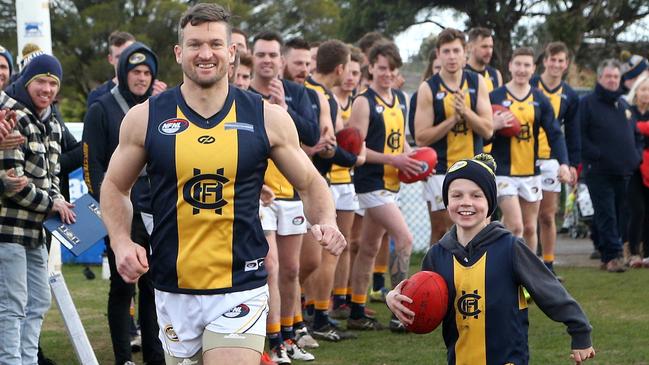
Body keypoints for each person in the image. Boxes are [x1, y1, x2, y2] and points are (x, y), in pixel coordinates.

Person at [100, 4, 345, 365]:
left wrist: (326, 220)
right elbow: (114, 187)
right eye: (195, 44)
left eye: (215, 44)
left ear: (231, 53)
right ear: (179, 53)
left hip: (240, 288)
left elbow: (310, 182)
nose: (205, 54)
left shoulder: (267, 117)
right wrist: (121, 242)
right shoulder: (145, 117)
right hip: (172, 286)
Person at [386, 154, 596, 365]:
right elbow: (425, 304)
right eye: (456, 195)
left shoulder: (510, 248)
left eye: (476, 196)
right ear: (447, 201)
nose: (466, 202)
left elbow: (550, 291)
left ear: (490, 202)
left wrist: (580, 331)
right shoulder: (437, 256)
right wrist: (395, 300)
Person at [83, 42, 164, 365]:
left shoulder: (160, 108)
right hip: (121, 213)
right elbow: (93, 167)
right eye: (135, 72)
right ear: (122, 73)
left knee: (154, 288)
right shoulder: (101, 109)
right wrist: (109, 211)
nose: (142, 78)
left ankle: (155, 356)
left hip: (156, 210)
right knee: (123, 287)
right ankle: (123, 359)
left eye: (147, 73)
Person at [249, 31, 321, 363]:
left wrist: (282, 109)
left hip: (290, 192)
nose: (267, 60)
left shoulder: (296, 92)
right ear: (252, 58)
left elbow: (310, 135)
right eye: (261, 54)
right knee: (272, 267)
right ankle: (273, 340)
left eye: (272, 55)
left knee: (292, 269)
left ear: (281, 60)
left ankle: (290, 337)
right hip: (258, 196)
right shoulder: (239, 97)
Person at [0, 54, 76, 365]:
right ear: (27, 82)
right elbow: (13, 183)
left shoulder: (54, 124)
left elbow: (53, 177)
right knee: (13, 303)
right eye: (40, 82)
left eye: (52, 83)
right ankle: (10, 360)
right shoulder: (11, 117)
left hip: (37, 233)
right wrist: (52, 204)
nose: (46, 89)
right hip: (9, 230)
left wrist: (57, 199)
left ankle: (28, 359)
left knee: (40, 301)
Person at [346, 41, 417, 332]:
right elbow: (355, 149)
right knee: (405, 240)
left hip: (391, 182)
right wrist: (394, 158)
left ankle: (356, 309)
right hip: (370, 182)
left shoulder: (399, 97)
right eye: (383, 68)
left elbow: (400, 140)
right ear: (371, 67)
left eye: (393, 69)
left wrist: (413, 156)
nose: (388, 74)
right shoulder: (363, 101)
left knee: (369, 247)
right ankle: (399, 311)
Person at [414, 28, 493, 245]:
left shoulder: (477, 83)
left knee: (479, 230)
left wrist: (466, 113)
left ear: (465, 53)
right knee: (441, 230)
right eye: (446, 51)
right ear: (438, 54)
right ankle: (434, 278)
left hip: (474, 167)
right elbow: (421, 137)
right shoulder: (428, 88)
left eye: (456, 51)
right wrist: (452, 120)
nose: (451, 56)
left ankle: (475, 277)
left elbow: (488, 130)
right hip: (440, 169)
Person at [490, 47, 571, 256]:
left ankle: (528, 276)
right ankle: (508, 271)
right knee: (515, 226)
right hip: (504, 172)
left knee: (529, 227)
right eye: (518, 64)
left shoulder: (539, 99)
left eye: (527, 65)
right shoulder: (495, 97)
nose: (522, 69)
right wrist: (493, 126)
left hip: (530, 172)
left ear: (533, 69)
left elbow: (555, 134)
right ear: (510, 66)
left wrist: (564, 163)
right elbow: (482, 133)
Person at [580, 59, 642, 272]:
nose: (613, 80)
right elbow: (580, 135)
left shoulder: (623, 105)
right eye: (609, 76)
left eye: (616, 77)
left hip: (624, 170)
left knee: (618, 213)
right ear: (599, 78)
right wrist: (595, 155)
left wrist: (635, 156)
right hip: (598, 171)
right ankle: (612, 257)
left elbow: (636, 135)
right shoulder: (587, 103)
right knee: (607, 213)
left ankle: (601, 245)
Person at [530, 41, 580, 276]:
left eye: (562, 60)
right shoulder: (530, 86)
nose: (557, 64)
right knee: (524, 220)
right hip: (525, 160)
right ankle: (525, 266)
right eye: (553, 59)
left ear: (566, 64)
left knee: (547, 215)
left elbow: (571, 132)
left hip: (551, 160)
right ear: (545, 61)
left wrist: (569, 164)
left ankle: (548, 267)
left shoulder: (569, 94)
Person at [627, 74, 649, 268]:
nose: (646, 94)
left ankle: (647, 253)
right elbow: (628, 130)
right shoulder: (629, 111)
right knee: (637, 210)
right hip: (633, 167)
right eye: (643, 90)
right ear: (636, 92)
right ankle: (633, 251)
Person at [465, 27, 503, 92]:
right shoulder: (460, 73)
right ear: (470, 47)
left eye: (491, 47)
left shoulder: (495, 74)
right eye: (484, 47)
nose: (489, 51)